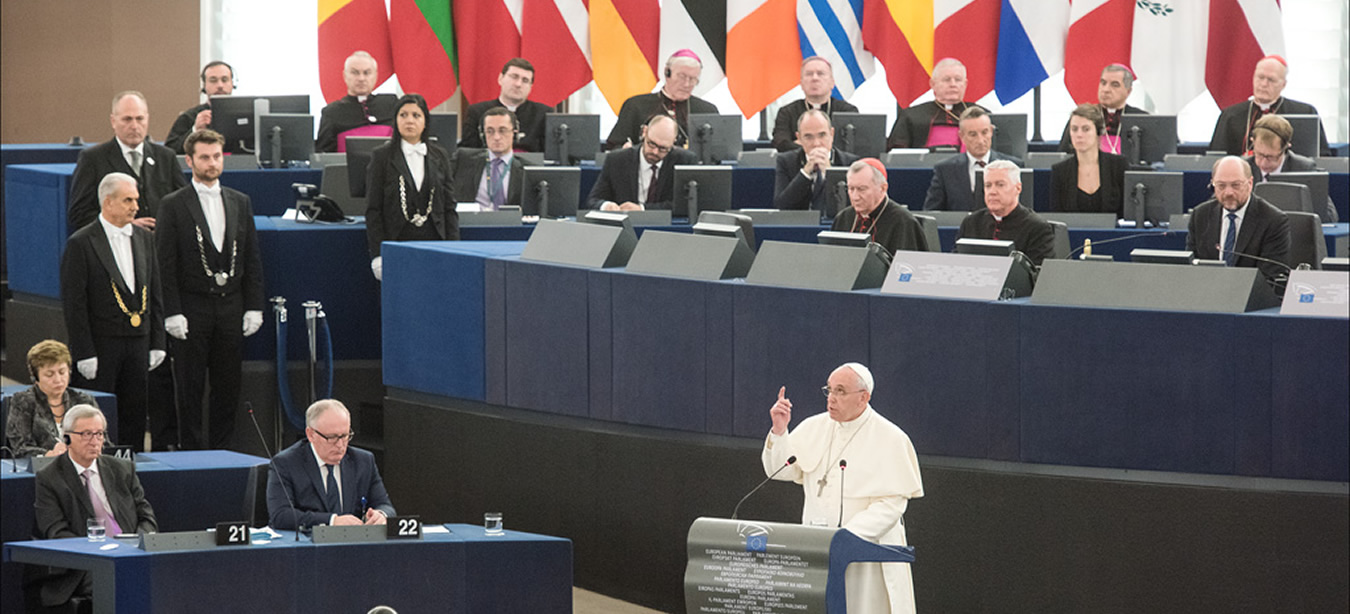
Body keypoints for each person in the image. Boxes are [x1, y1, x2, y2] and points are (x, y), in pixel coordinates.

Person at [762, 363, 923, 614]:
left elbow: (891, 505)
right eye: (829, 390)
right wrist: (780, 431)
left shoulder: (890, 438)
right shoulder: (814, 427)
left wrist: (844, 539)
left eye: (840, 391)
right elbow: (780, 471)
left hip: (864, 556)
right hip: (817, 551)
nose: (832, 398)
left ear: (863, 397)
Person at [156, 129, 266, 450]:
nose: (212, 163)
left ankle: (223, 450)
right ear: (189, 160)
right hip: (191, 308)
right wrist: (172, 312)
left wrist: (254, 305)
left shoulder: (239, 201)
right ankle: (190, 452)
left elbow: (251, 257)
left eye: (217, 156)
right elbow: (165, 264)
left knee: (228, 386)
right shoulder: (173, 205)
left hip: (231, 307)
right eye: (205, 157)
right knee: (189, 388)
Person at [60, 173, 166, 449]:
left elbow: (155, 292)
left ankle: (129, 470)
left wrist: (157, 341)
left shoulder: (144, 239)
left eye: (136, 199)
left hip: (138, 341)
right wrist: (84, 351)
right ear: (108, 202)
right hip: (101, 345)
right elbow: (74, 303)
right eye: (128, 200)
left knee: (134, 413)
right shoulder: (81, 243)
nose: (136, 206)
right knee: (98, 415)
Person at [31, 405, 156, 611]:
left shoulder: (122, 469)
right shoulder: (50, 478)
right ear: (67, 438)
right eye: (87, 434)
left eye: (99, 434)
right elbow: (56, 532)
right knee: (116, 579)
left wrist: (138, 544)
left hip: (130, 553)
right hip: (85, 565)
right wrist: (99, 551)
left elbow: (146, 516)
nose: (95, 440)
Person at [366, 94, 459, 282]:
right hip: (396, 242)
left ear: (425, 121)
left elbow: (449, 208)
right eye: (403, 115)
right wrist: (378, 254)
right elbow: (373, 210)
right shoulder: (381, 156)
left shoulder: (440, 155)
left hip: (435, 242)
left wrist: (455, 249)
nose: (409, 120)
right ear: (396, 120)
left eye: (416, 115)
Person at [266, 399, 395, 531]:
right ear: (311, 434)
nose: (340, 445)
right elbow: (280, 515)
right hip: (310, 545)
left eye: (345, 436)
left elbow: (385, 506)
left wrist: (381, 515)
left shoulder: (363, 461)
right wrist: (332, 521)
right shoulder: (286, 463)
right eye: (331, 437)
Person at [68, 91, 188, 231]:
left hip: (160, 246)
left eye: (140, 119)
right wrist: (125, 226)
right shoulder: (93, 159)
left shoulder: (166, 157)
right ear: (113, 121)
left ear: (147, 119)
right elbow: (79, 214)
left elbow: (183, 204)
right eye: (127, 119)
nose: (134, 126)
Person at [1186, 156, 1290, 287]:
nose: (1228, 192)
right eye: (1221, 186)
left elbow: (1270, 278)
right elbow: (1190, 267)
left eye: (1236, 185)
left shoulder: (1273, 220)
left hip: (1251, 300)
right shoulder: (1200, 215)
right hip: (1207, 294)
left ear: (1250, 184)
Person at [1209, 55, 1330, 157]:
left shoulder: (1305, 112)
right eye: (1260, 77)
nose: (1263, 84)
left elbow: (1321, 157)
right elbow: (1216, 156)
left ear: (1283, 84)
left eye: (1271, 80)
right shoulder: (1231, 115)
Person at [605, 50, 719, 150]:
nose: (687, 84)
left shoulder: (707, 110)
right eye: (682, 76)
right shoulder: (635, 105)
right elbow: (614, 146)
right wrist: (627, 149)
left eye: (693, 79)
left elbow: (719, 152)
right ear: (667, 73)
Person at [5, 340, 98, 458]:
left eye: (62, 372)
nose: (58, 379)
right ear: (35, 377)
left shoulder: (84, 401)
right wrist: (49, 454)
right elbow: (20, 448)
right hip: (44, 470)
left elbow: (103, 442)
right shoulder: (23, 402)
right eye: (49, 374)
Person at [588, 115, 698, 212]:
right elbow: (592, 201)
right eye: (651, 144)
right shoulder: (617, 160)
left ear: (673, 142)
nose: (655, 152)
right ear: (644, 132)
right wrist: (606, 206)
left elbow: (685, 205)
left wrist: (642, 209)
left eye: (663, 148)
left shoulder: (684, 161)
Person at [956, 160, 1055, 266]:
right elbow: (955, 263)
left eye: (1000, 185)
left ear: (1018, 188)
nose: (992, 192)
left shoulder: (1037, 228)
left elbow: (1038, 274)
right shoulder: (971, 222)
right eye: (988, 185)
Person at [922, 107, 1022, 212]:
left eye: (984, 132)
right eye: (973, 134)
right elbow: (932, 213)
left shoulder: (1013, 166)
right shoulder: (945, 170)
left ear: (991, 132)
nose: (980, 140)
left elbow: (1023, 211)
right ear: (962, 136)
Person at [1245, 114, 1337, 223]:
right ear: (1252, 142)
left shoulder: (1304, 168)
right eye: (1259, 155)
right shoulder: (1243, 168)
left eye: (1270, 157)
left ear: (1286, 148)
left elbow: (1330, 216)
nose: (1264, 163)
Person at [831, 159, 928, 257]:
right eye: (851, 189)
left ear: (882, 188)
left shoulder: (903, 222)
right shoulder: (843, 218)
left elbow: (907, 267)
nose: (855, 197)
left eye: (862, 189)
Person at [886, 58, 983, 151]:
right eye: (946, 79)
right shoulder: (911, 116)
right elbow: (896, 152)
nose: (953, 84)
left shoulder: (982, 115)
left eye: (958, 80)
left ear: (965, 84)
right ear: (933, 84)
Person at [773, 110, 861, 213]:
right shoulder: (786, 161)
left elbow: (853, 206)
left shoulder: (851, 162)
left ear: (831, 134)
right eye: (808, 137)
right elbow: (781, 205)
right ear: (799, 138)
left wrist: (829, 174)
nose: (816, 143)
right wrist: (805, 173)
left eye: (822, 135)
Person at [1050, 104, 1128, 216]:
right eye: (1074, 129)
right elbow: (1057, 218)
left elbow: (1127, 213)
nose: (1079, 135)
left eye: (1086, 129)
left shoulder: (1118, 166)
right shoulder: (1060, 171)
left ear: (1098, 132)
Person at [458, 58, 550, 152]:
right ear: (500, 79)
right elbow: (467, 152)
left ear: (531, 87)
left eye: (525, 80)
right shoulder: (477, 111)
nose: (518, 84)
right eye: (514, 77)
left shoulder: (544, 114)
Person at [316, 51, 398, 153]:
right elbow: (323, 155)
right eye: (355, 73)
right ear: (345, 76)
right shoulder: (332, 112)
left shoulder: (391, 104)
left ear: (376, 76)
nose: (361, 78)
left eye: (367, 73)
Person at [771, 57, 859, 152]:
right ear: (801, 83)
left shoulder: (847, 111)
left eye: (820, 74)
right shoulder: (787, 112)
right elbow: (781, 143)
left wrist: (804, 144)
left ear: (832, 83)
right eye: (809, 74)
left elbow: (851, 145)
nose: (815, 78)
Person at [1056, 64, 1146, 154]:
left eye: (1114, 85)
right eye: (1103, 83)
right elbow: (1064, 155)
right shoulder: (1083, 116)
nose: (1106, 89)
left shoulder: (1141, 119)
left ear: (1128, 91)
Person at [451, 107, 524, 211]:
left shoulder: (527, 169)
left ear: (514, 133)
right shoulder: (463, 160)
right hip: (471, 224)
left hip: (511, 225)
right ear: (482, 135)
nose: (496, 137)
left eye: (502, 131)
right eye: (490, 131)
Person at [164, 61, 235, 154]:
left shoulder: (248, 115)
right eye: (213, 80)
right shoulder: (189, 117)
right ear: (204, 86)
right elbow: (170, 152)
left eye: (224, 80)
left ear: (232, 84)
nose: (220, 85)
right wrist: (195, 130)